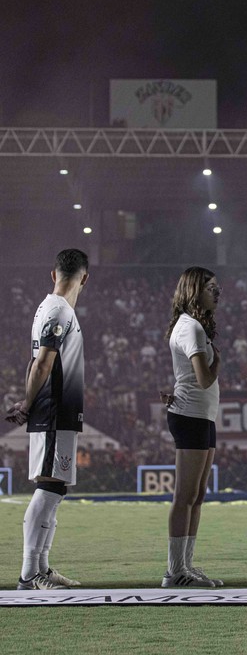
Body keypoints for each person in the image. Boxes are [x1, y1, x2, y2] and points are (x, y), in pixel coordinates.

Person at [5, 249, 89, 591]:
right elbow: (42, 363)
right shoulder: (58, 309)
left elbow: (36, 362)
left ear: (53, 274)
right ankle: (29, 573)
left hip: (57, 408)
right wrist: (28, 401)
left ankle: (40, 568)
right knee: (49, 485)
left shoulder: (49, 307)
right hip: (54, 408)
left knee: (55, 486)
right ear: (84, 278)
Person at [161, 267, 223, 587]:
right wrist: (217, 362)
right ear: (194, 290)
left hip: (202, 415)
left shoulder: (192, 326)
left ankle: (185, 565)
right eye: (210, 287)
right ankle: (174, 571)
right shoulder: (192, 328)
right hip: (191, 415)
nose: (217, 292)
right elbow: (203, 378)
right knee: (185, 495)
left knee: (196, 495)